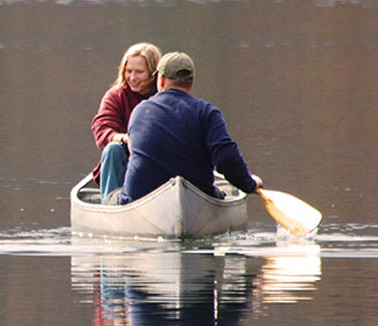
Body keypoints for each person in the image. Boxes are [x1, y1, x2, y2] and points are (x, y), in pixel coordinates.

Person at [118, 51, 262, 205]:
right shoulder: (207, 112)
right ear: (191, 81)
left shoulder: (139, 111)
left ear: (161, 80)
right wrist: (249, 184)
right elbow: (226, 158)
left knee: (112, 195)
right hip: (196, 199)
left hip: (139, 199)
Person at [91, 42, 162, 203]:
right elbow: (102, 128)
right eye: (128, 71)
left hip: (156, 162)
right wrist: (125, 138)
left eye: (139, 72)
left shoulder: (164, 97)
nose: (132, 77)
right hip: (123, 162)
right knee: (113, 149)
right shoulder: (115, 96)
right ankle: (110, 204)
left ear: (153, 73)